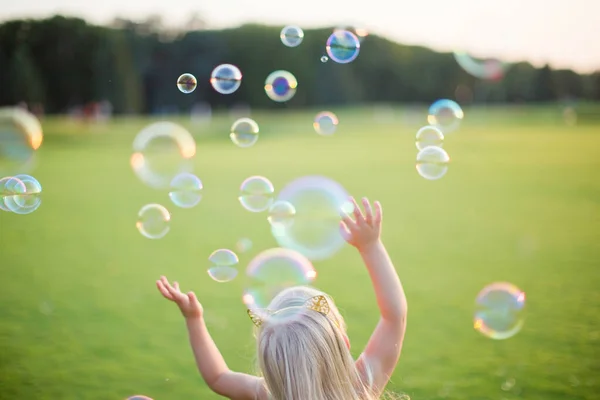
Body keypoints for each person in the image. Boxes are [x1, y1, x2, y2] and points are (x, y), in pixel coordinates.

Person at [156, 197, 408, 400]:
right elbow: (394, 317)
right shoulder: (359, 386)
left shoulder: (267, 394)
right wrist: (370, 246)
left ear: (269, 364)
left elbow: (218, 378)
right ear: (343, 341)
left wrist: (194, 318)